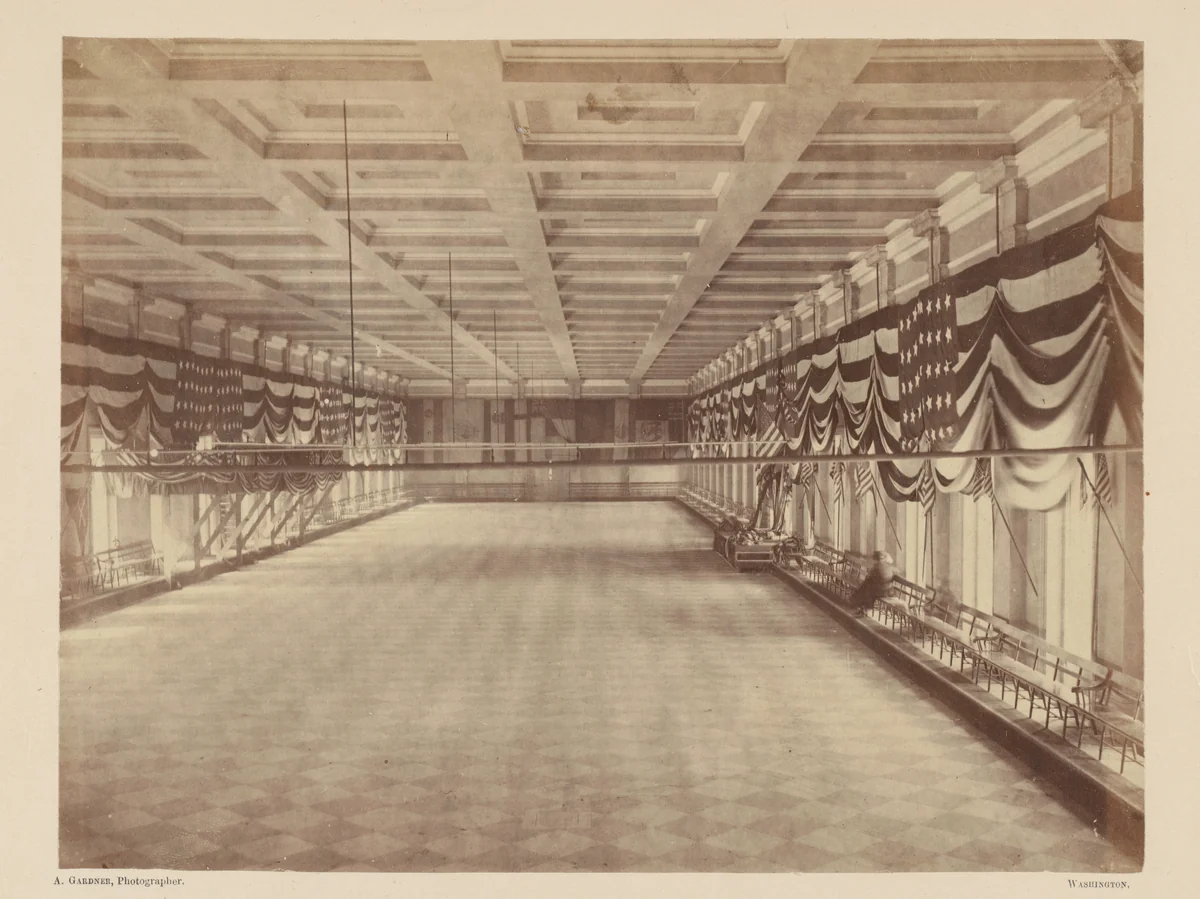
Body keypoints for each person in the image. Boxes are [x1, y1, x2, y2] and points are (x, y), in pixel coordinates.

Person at [849, 550, 895, 617]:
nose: (876, 561)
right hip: (887, 589)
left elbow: (871, 577)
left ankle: (860, 605)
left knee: (866, 588)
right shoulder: (886, 565)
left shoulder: (878, 567)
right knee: (866, 586)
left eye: (877, 559)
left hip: (884, 591)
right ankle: (861, 606)